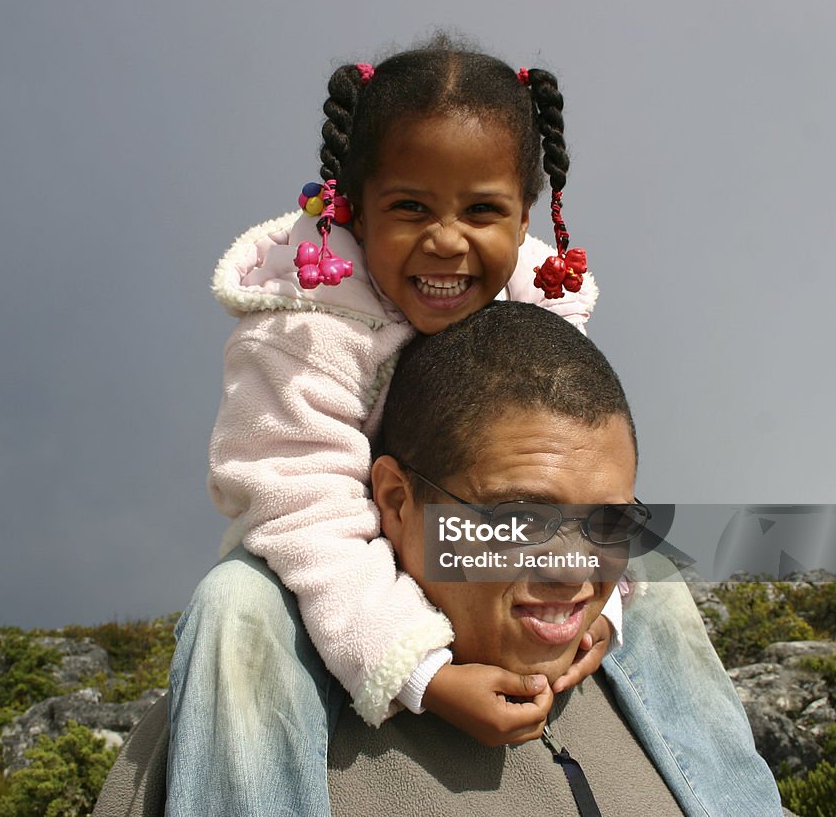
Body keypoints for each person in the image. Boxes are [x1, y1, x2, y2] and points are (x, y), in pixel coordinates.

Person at [94, 303, 783, 816]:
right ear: (395, 500)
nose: (574, 570)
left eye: (607, 520)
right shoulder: (231, 720)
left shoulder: (650, 680)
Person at [168, 36, 612, 817]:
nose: (447, 239)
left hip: (466, 551)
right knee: (233, 606)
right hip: (330, 566)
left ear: (524, 213)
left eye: (482, 210)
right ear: (353, 203)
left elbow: (585, 473)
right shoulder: (304, 328)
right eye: (410, 207)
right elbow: (297, 503)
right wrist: (422, 672)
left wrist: (601, 607)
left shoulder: (539, 312)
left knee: (662, 592)